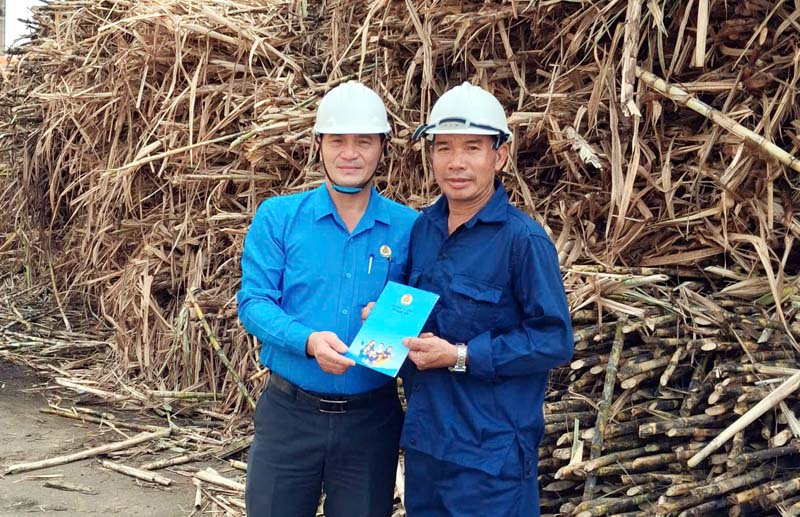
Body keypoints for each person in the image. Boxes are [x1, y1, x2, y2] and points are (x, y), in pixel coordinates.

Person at [237, 80, 418, 517]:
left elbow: (424, 308)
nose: (350, 153)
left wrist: (396, 323)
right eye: (338, 140)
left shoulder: (410, 228)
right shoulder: (279, 217)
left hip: (371, 420)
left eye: (364, 141)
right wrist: (308, 340)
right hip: (289, 414)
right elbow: (254, 303)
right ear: (318, 144)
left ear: (383, 148)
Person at [401, 82, 574, 516]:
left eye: (472, 148)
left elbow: (553, 340)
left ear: (499, 155)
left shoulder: (524, 241)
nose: (456, 163)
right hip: (427, 448)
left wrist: (459, 355)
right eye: (443, 148)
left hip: (490, 461)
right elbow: (423, 315)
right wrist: (389, 319)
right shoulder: (424, 229)